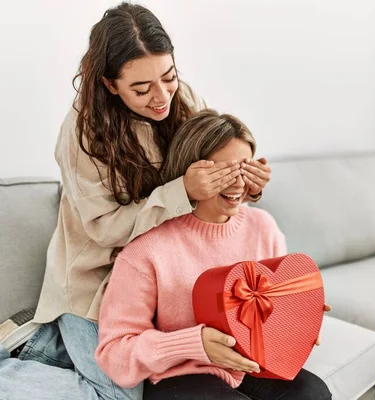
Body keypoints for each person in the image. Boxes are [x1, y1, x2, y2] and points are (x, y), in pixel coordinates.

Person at [0, 3, 271, 399]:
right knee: (123, 394)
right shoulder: (82, 134)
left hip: (165, 273)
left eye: (169, 77)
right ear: (110, 85)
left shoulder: (183, 99)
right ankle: (30, 350)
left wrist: (245, 183)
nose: (161, 97)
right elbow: (104, 228)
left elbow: (218, 174)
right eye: (142, 89)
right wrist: (182, 193)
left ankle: (52, 346)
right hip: (97, 283)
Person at [95, 109, 332, 400]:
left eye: (244, 168)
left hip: (251, 363)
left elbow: (271, 308)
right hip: (179, 375)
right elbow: (114, 352)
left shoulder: (263, 226)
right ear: (190, 170)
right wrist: (193, 344)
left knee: (313, 393)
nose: (236, 183)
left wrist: (298, 319)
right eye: (222, 170)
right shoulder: (147, 249)